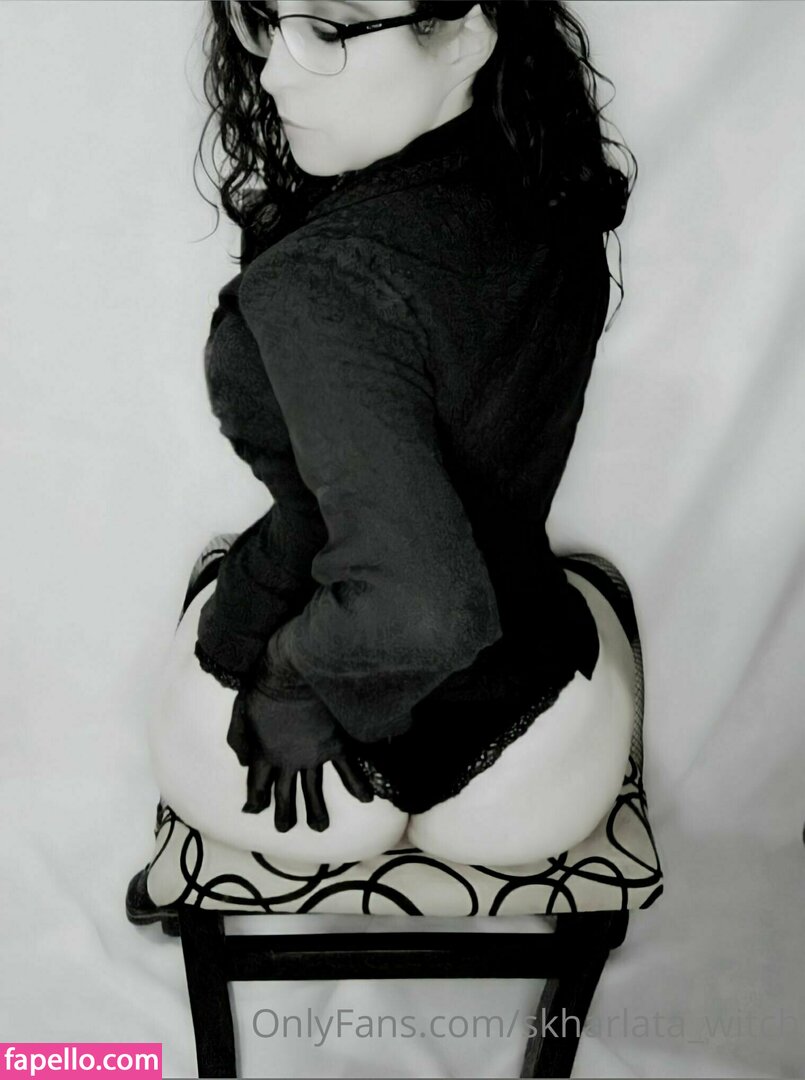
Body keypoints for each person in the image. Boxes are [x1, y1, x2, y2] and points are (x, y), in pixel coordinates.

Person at [147, 0, 640, 869]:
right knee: (584, 593)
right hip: (541, 743)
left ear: (464, 33)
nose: (273, 72)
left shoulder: (322, 278)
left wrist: (289, 681)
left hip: (296, 744)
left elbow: (424, 608)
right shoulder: (550, 175)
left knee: (218, 599)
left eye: (328, 29)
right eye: (265, 19)